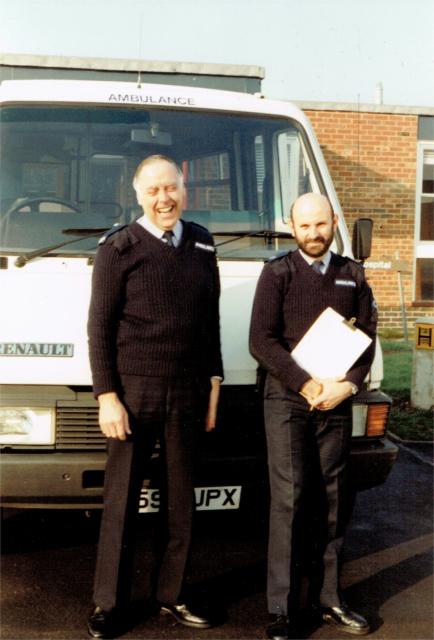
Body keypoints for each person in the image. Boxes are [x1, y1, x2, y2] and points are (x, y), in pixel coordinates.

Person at [86, 154, 223, 639]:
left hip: (188, 390)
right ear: (137, 195)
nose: (164, 199)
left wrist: (213, 386)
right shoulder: (118, 248)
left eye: (172, 189)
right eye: (153, 191)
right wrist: (107, 396)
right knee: (121, 500)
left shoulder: (204, 243)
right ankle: (109, 604)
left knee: (182, 499)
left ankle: (174, 593)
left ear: (184, 189)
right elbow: (99, 329)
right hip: (134, 391)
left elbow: (211, 325)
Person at [249, 192, 377, 640]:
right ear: (292, 226)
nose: (314, 234)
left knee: (334, 500)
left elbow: (367, 338)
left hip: (335, 402)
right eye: (305, 226)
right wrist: (306, 385)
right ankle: (281, 609)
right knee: (290, 499)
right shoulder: (277, 273)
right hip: (288, 401)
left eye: (321, 225)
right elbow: (261, 342)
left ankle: (330, 600)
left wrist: (348, 385)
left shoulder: (351, 275)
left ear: (334, 222)